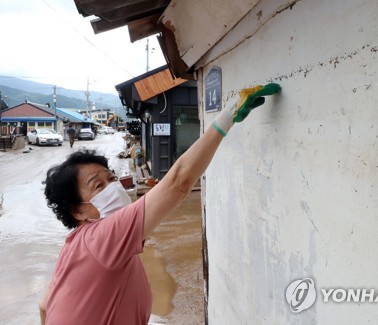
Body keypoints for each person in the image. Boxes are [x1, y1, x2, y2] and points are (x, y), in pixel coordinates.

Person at [39, 83, 280, 324]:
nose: (113, 186)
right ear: (78, 211)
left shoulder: (76, 246)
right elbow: (179, 182)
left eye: (112, 178)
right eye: (98, 186)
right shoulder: (102, 237)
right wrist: (229, 115)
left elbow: (44, 306)